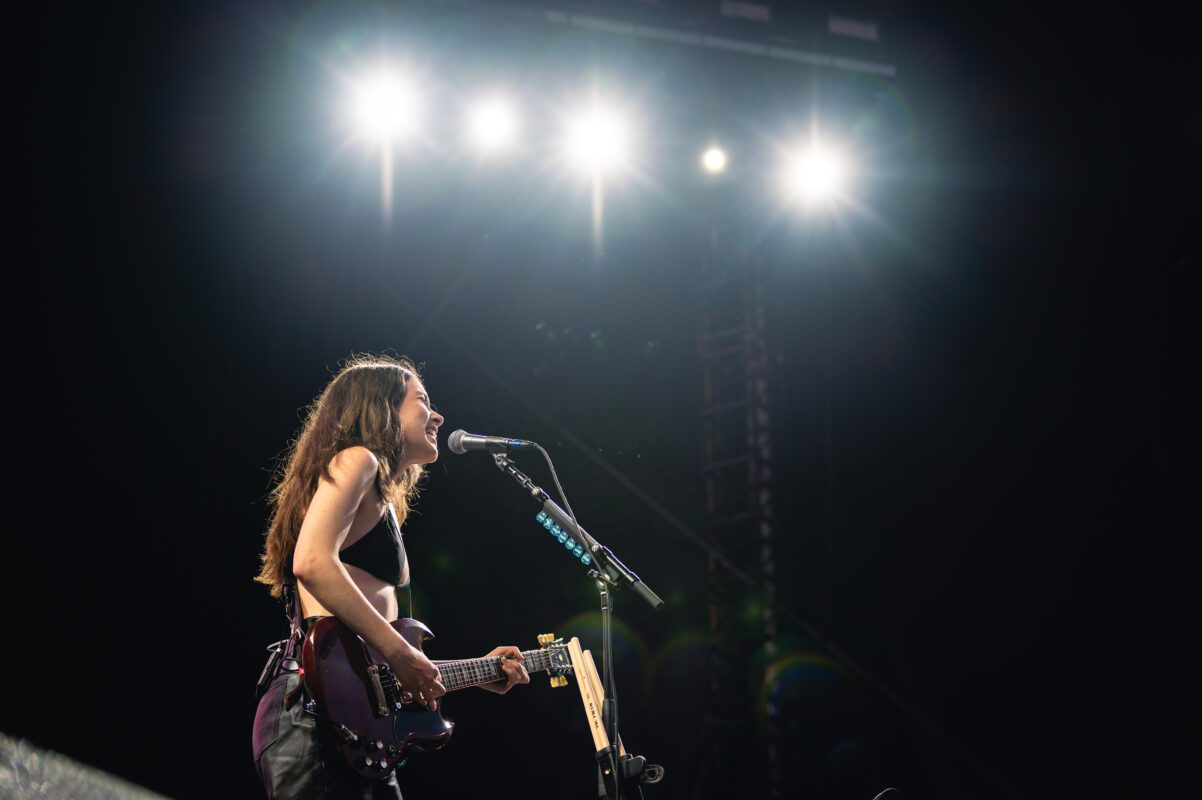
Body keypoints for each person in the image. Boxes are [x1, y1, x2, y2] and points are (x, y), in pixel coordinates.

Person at [252, 355, 529, 799]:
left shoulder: (385, 504)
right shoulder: (358, 459)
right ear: (381, 407)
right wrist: (403, 654)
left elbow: (372, 666)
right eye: (422, 400)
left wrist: (477, 671)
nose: (437, 414)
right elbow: (312, 561)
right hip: (313, 712)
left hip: (354, 733)